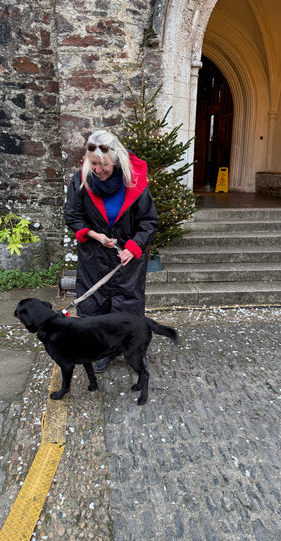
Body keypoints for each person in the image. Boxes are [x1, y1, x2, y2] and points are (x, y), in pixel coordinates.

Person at [64, 129, 159, 371]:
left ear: (115, 160)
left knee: (128, 305)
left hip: (126, 258)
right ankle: (105, 350)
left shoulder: (134, 181)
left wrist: (134, 246)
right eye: (93, 164)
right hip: (94, 257)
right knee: (98, 307)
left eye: (103, 165)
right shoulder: (80, 180)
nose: (97, 170)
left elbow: (148, 221)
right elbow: (73, 216)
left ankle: (134, 349)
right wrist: (94, 235)